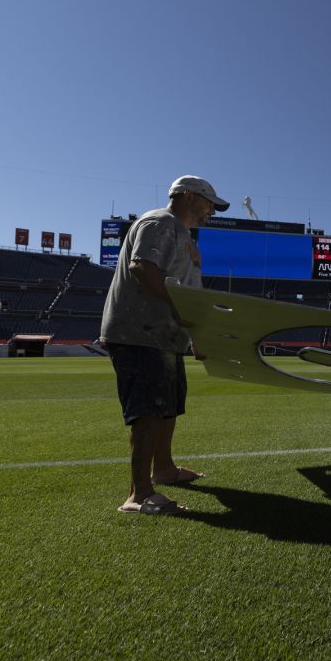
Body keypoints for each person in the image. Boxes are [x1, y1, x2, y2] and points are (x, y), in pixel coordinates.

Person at [100, 175, 229, 514]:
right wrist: (179, 311)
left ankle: (165, 470)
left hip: (166, 336)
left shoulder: (184, 236)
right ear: (188, 196)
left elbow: (189, 294)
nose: (211, 212)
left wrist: (194, 336)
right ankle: (138, 494)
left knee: (168, 406)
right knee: (149, 410)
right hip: (140, 333)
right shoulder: (160, 222)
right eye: (209, 204)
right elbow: (142, 267)